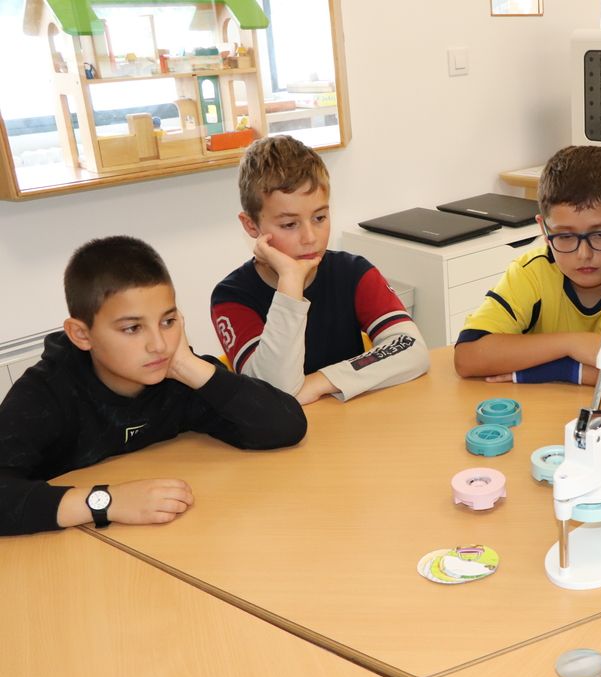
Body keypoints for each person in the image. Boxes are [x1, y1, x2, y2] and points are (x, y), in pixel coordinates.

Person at [0, 236, 308, 537]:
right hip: (59, 551)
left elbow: (286, 426)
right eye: (133, 328)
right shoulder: (47, 392)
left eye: (168, 321)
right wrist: (108, 502)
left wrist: (189, 367)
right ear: (81, 335)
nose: (159, 345)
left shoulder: (176, 378)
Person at [211, 135, 429, 404]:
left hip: (350, 425)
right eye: (290, 224)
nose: (310, 237)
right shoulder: (231, 297)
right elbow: (272, 393)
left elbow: (412, 348)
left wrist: (320, 383)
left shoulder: (354, 272)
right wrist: (290, 282)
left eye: (320, 218)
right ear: (251, 226)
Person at [453, 145, 601, 388]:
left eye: (600, 235)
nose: (583, 254)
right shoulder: (531, 272)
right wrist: (573, 343)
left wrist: (562, 368)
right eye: (565, 237)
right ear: (544, 230)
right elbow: (468, 357)